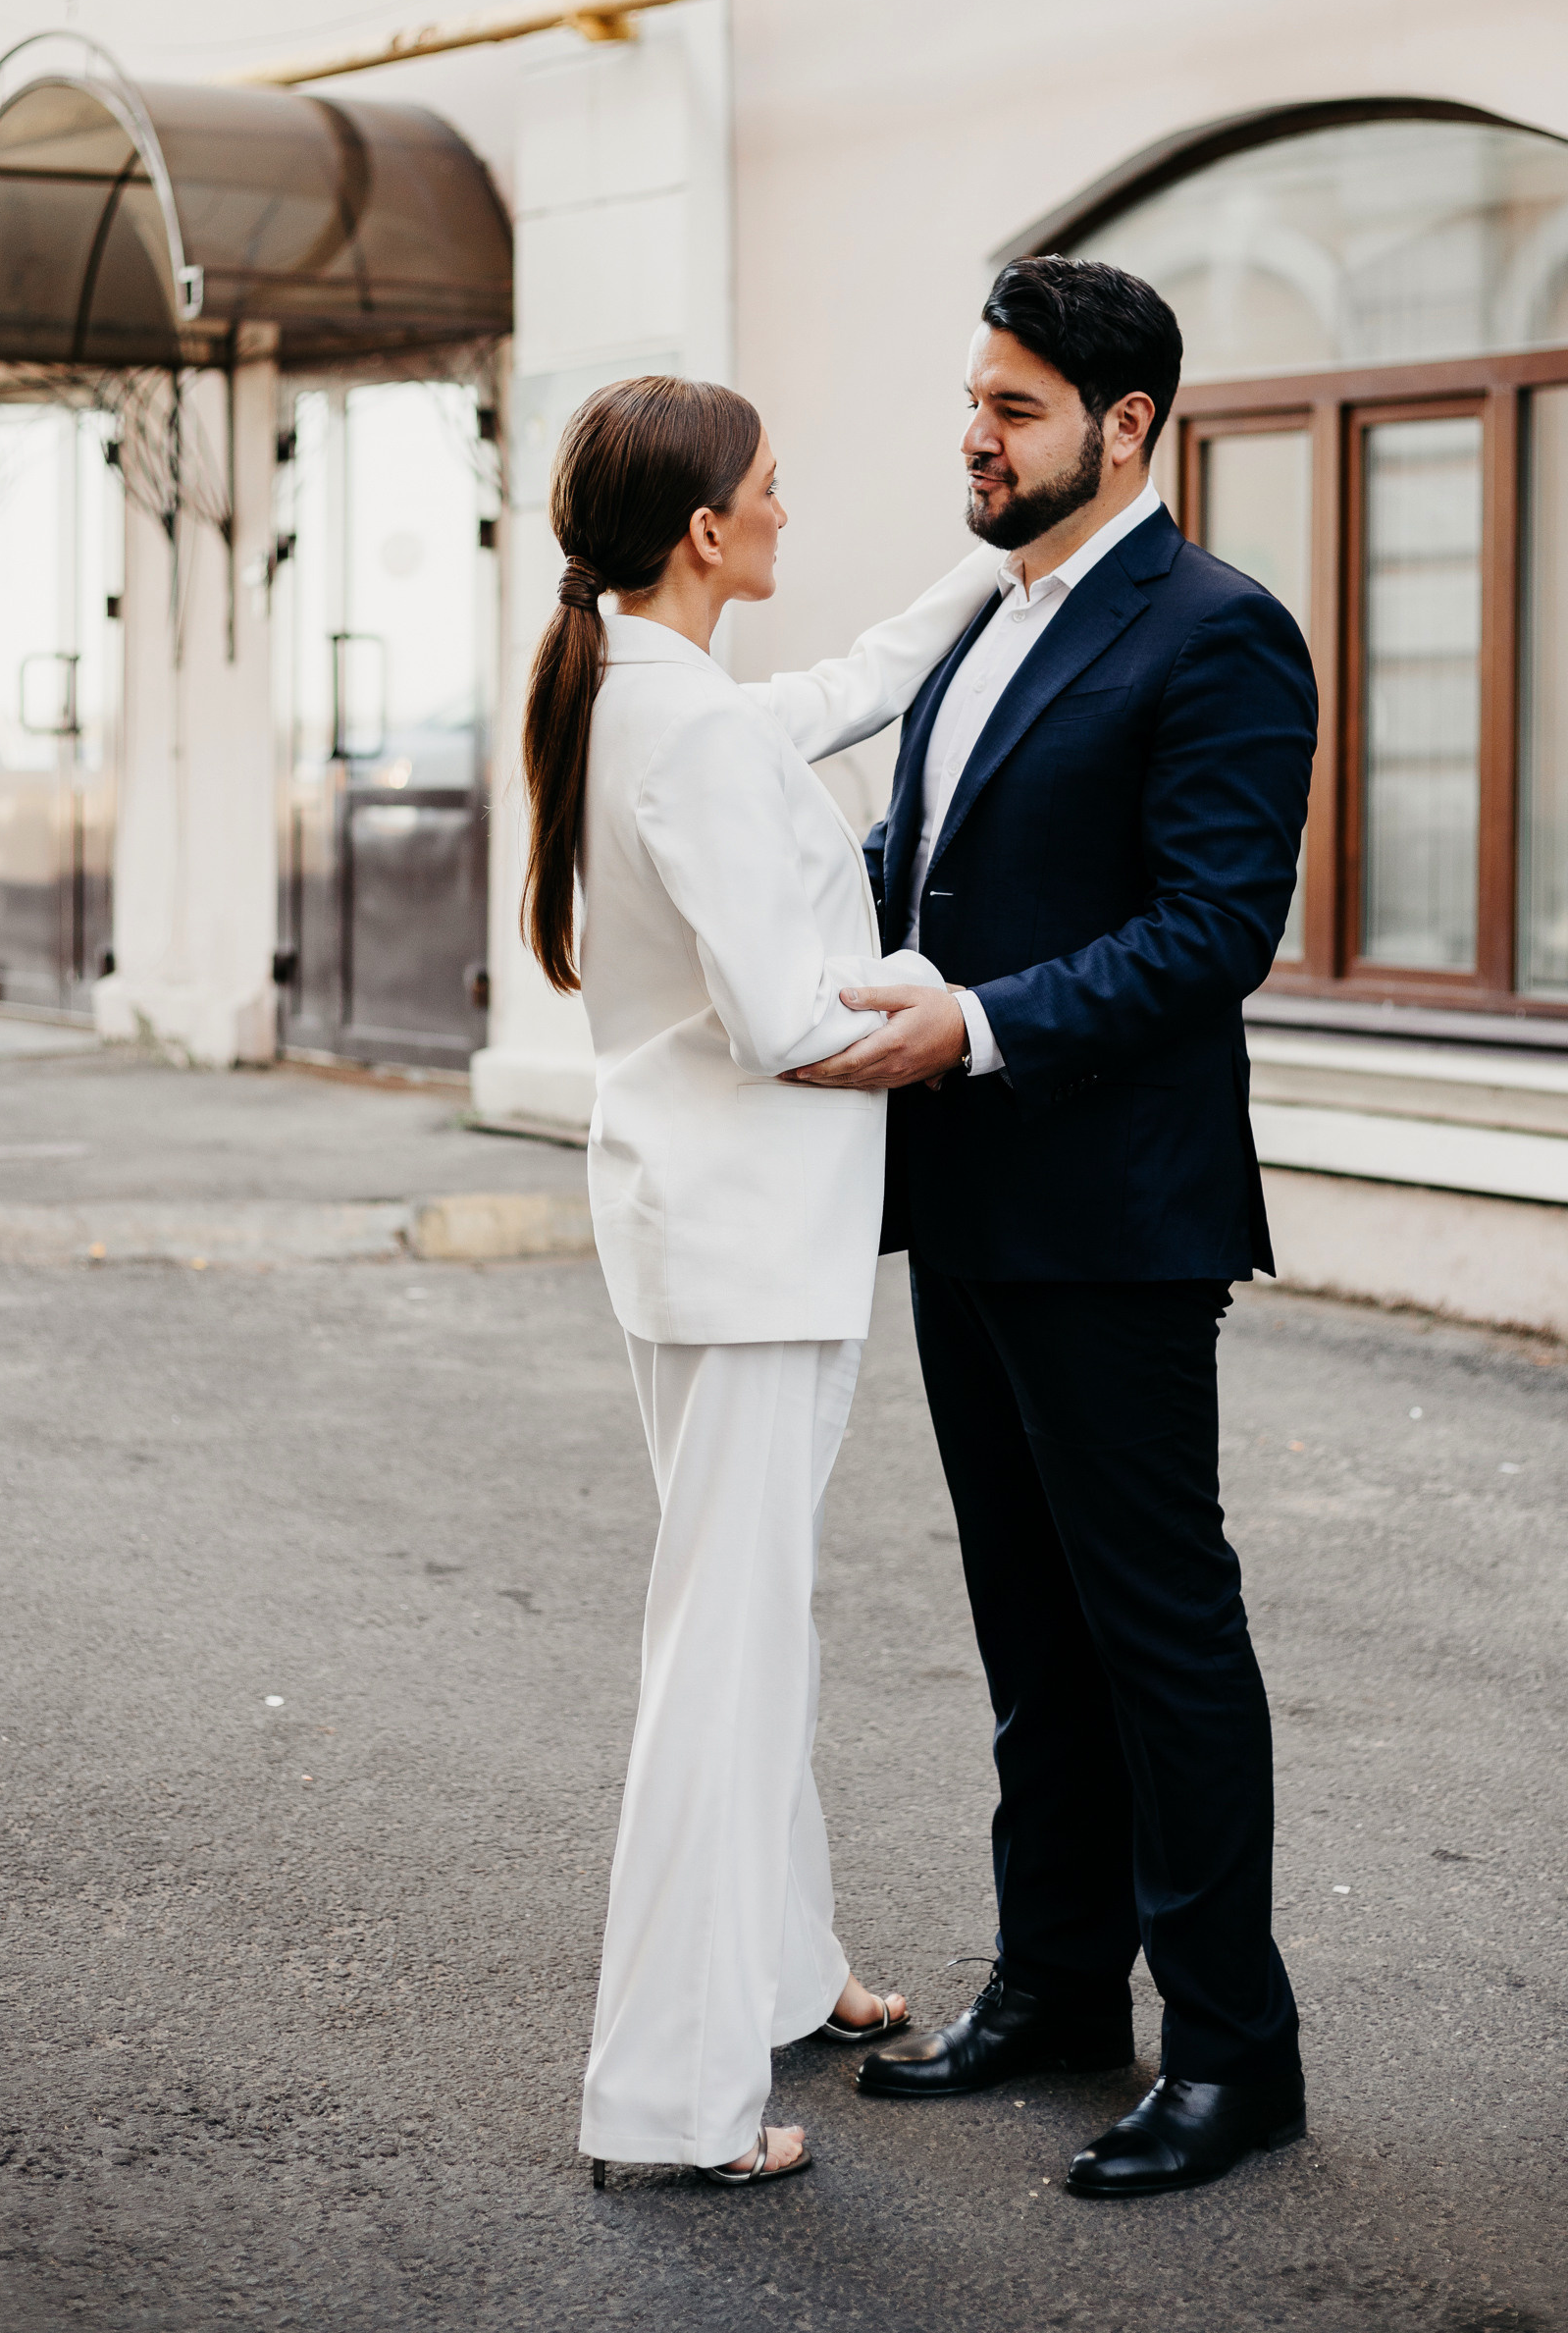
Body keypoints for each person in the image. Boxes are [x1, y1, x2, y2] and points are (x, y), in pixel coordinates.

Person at [786, 256, 1319, 2200]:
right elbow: (913, 862)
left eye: (1012, 410)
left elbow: (1210, 931)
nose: (974, 438)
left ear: (1126, 427)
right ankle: (1059, 1988)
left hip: (1112, 1214)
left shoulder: (1219, 632)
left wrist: (981, 1024)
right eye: (972, 400)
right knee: (1031, 1634)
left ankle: (1233, 2053)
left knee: (1158, 1634)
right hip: (966, 1200)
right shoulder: (983, 625)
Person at [520, 372, 996, 2192]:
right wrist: (934, 992)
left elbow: (841, 685)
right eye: (776, 492)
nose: (794, 510)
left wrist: (994, 569)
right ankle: (673, 2102)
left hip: (691, 1228)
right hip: (752, 1250)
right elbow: (783, 1022)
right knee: (719, 1666)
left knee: (751, 1626)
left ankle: (786, 1971)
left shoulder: (644, 687)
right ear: (707, 532)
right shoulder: (692, 731)